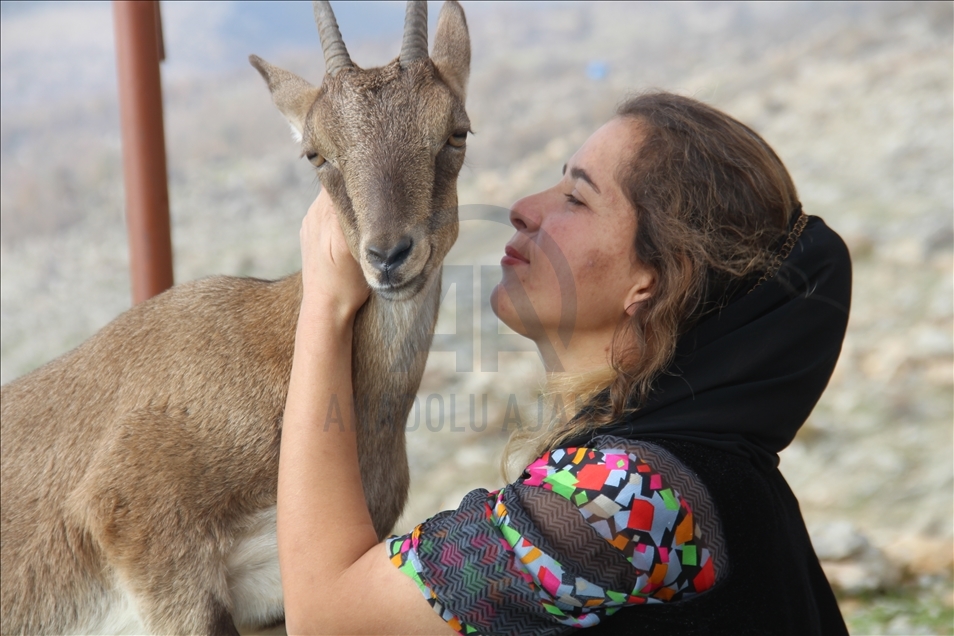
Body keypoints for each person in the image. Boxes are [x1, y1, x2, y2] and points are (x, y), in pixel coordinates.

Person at [277, 92, 852, 635]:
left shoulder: (632, 501)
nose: (524, 209)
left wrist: (325, 303)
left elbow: (329, 618)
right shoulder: (683, 473)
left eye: (576, 198)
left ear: (652, 281)